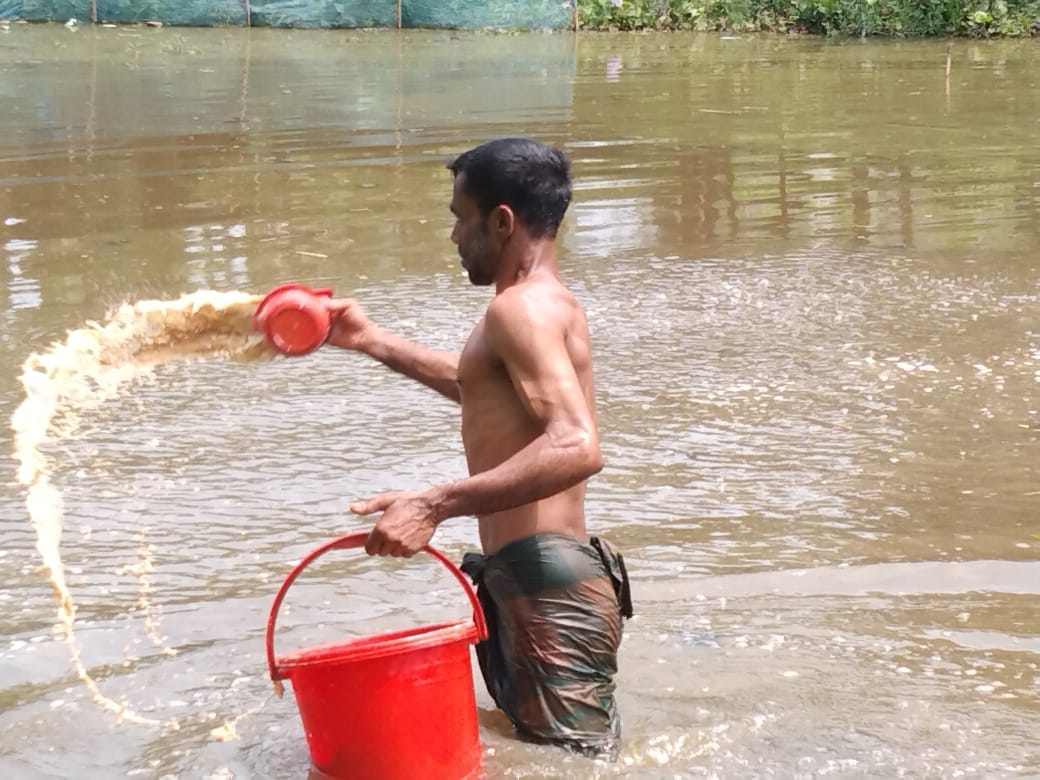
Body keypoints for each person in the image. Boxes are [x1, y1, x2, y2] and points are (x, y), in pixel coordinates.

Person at [326, 137, 632, 756]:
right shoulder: (539, 304)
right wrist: (371, 341)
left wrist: (435, 503)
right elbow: (485, 393)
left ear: (502, 221)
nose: (454, 238)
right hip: (535, 578)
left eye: (460, 219)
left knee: (578, 766)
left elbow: (576, 444)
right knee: (557, 758)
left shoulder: (519, 311)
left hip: (546, 583)